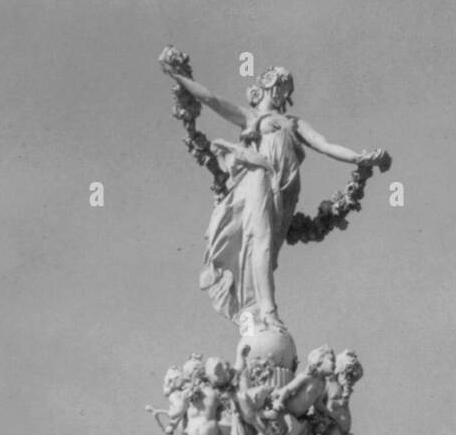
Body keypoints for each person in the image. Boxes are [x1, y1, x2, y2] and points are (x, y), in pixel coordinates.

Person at [159, 53, 388, 331]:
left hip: (286, 190)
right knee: (261, 240)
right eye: (280, 84)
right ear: (266, 85)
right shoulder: (251, 117)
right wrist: (179, 77)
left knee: (267, 248)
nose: (283, 92)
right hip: (260, 175)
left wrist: (361, 158)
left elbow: (326, 145)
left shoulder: (294, 122)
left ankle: (256, 307)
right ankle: (268, 313)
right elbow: (212, 100)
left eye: (287, 88)